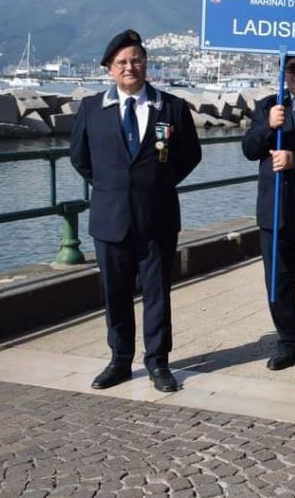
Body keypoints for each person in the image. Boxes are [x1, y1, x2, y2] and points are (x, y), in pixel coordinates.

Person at [70, 29, 202, 393]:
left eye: (136, 60)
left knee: (157, 294)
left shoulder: (171, 107)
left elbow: (190, 155)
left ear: (146, 64)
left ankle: (158, 362)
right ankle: (120, 359)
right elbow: (79, 157)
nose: (130, 67)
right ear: (109, 69)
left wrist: (156, 182)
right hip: (110, 218)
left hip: (157, 217)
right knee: (115, 293)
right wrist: (112, 187)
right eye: (122, 62)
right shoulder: (91, 108)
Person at [242, 55, 295, 377]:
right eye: (292, 68)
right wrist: (269, 126)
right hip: (275, 210)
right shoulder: (268, 106)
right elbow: (249, 150)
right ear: (283, 73)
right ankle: (290, 341)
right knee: (278, 283)